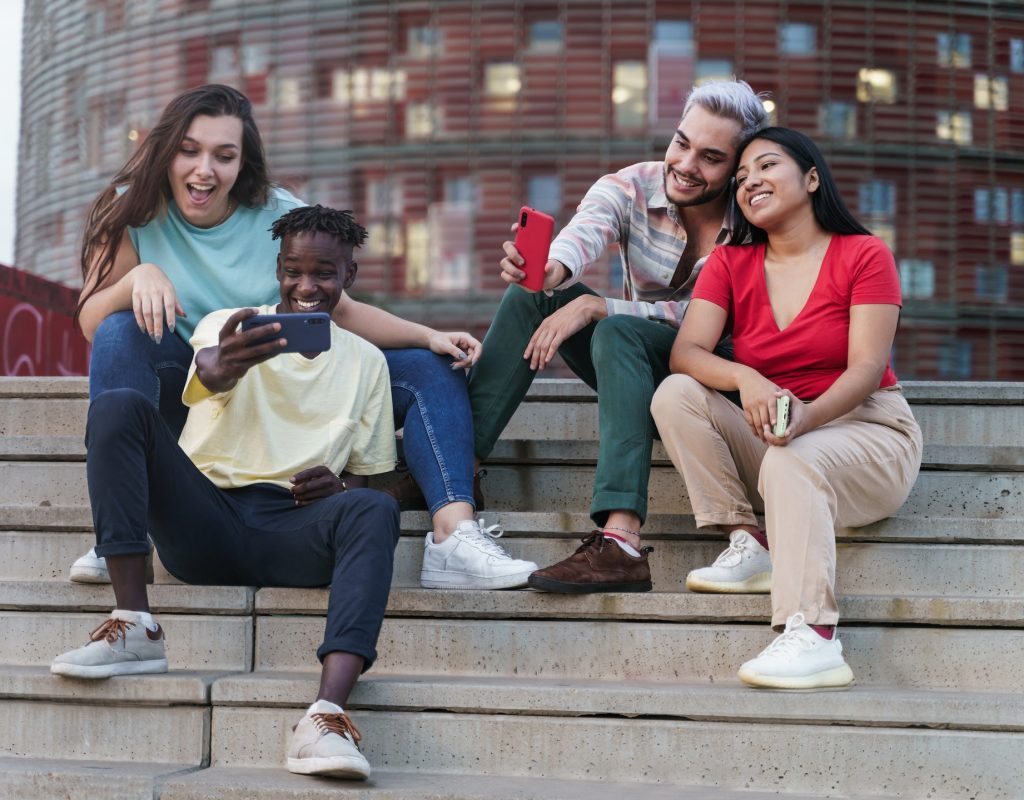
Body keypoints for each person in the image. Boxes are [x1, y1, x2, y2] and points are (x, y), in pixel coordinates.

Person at [69, 83, 536, 591]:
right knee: (119, 328)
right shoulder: (131, 210)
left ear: (242, 163)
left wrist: (429, 335)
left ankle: (454, 537)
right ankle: (120, 526)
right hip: (192, 391)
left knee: (429, 367)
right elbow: (92, 322)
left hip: (282, 389)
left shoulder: (277, 213)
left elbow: (344, 311)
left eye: (224, 156)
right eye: (189, 150)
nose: (205, 169)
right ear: (166, 151)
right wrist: (137, 279)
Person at [53, 205, 405, 779]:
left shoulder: (367, 363)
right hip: (206, 518)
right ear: (277, 269)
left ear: (350, 277)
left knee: (374, 506)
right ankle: (136, 623)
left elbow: (363, 479)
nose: (307, 285)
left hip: (297, 526)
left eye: (324, 273)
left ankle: (326, 715)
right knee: (119, 405)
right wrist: (226, 365)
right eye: (294, 270)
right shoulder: (227, 325)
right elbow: (206, 377)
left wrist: (338, 487)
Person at [467, 80, 769, 593]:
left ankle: (621, 542)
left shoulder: (756, 222)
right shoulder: (631, 185)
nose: (686, 164)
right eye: (681, 143)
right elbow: (585, 232)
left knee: (618, 328)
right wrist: (549, 273)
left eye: (711, 157)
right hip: (634, 367)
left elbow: (716, 320)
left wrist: (601, 306)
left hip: (713, 390)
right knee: (532, 300)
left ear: (738, 169)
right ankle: (455, 463)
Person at [650, 127, 923, 689]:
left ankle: (815, 635)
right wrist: (746, 378)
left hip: (869, 433)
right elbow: (686, 353)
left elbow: (866, 369)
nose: (751, 182)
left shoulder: (864, 254)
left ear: (813, 178)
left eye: (768, 166)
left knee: (795, 458)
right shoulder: (731, 262)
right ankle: (751, 541)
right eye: (743, 177)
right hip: (779, 437)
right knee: (676, 394)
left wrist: (806, 419)